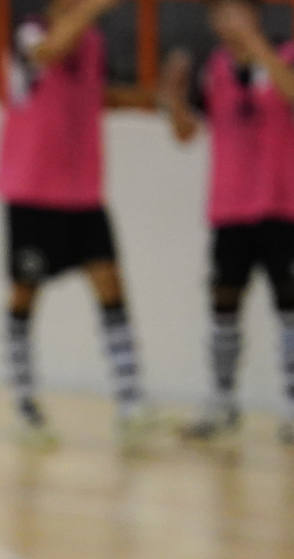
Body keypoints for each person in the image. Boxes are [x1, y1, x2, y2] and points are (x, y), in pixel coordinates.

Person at [0, 0, 156, 447]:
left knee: (110, 285)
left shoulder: (93, 42)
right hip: (32, 191)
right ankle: (25, 405)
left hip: (82, 191)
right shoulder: (28, 34)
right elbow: (48, 54)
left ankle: (131, 403)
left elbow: (90, 95)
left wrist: (147, 98)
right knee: (25, 292)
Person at [161, 0, 294, 443]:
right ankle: (222, 403)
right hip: (230, 208)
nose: (228, 23)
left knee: (289, 309)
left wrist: (256, 46)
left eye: (237, 12)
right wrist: (173, 98)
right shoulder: (211, 68)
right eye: (220, 15)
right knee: (223, 307)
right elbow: (185, 133)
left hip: (282, 207)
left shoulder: (285, 57)